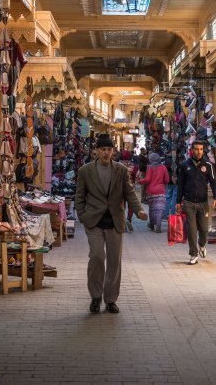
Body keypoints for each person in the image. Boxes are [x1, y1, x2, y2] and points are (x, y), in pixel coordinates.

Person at [76, 133, 147, 313]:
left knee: (115, 261)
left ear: (113, 152)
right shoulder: (85, 171)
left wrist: (138, 209)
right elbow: (79, 196)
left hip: (115, 220)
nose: (106, 153)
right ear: (96, 151)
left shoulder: (121, 171)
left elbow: (130, 193)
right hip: (94, 221)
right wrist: (82, 215)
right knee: (97, 257)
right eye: (103, 149)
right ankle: (95, 296)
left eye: (109, 149)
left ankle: (110, 299)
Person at [176, 140, 216, 265]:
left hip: (203, 203)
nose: (199, 152)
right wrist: (178, 201)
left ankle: (202, 244)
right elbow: (180, 185)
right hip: (188, 202)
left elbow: (214, 182)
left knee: (204, 229)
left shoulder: (208, 165)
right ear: (192, 150)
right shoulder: (185, 165)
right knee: (191, 230)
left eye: (201, 149)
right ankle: (193, 254)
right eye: (196, 149)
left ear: (203, 150)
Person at [139, 152, 169, 232]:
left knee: (152, 209)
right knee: (160, 209)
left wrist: (141, 181)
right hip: (161, 191)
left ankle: (152, 224)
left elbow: (148, 179)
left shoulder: (150, 167)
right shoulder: (163, 167)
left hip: (151, 191)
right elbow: (167, 180)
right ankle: (158, 224)